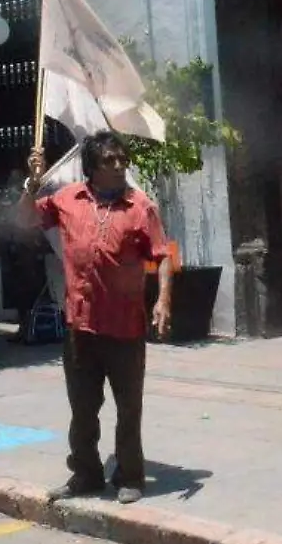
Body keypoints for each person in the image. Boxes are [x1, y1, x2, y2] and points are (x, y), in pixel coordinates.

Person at [17, 131, 172, 504]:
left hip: (125, 326)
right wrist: (32, 184)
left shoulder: (140, 207)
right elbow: (26, 220)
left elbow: (162, 254)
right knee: (83, 408)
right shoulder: (67, 198)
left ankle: (130, 475)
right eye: (109, 160)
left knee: (128, 407)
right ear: (91, 167)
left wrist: (163, 300)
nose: (119, 166)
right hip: (80, 326)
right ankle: (85, 474)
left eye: (122, 159)